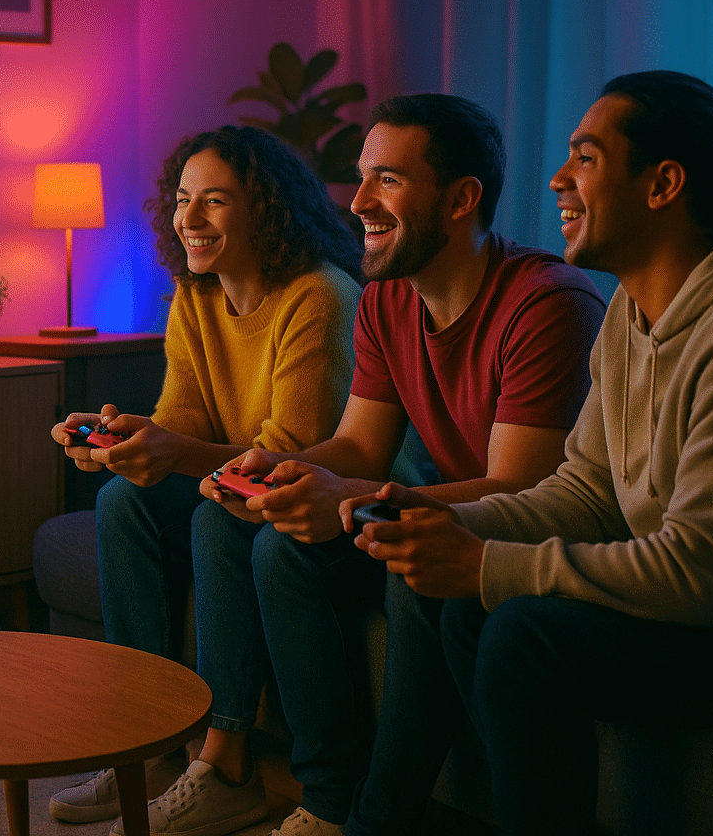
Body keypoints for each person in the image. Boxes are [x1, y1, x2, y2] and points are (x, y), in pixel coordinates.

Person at [355, 70, 713, 836]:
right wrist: (441, 517)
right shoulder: (632, 309)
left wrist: (489, 563)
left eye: (586, 158)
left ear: (663, 183)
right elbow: (588, 493)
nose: (558, 179)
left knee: (526, 635)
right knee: (462, 612)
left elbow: (696, 573)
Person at [208, 93, 607, 836]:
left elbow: (524, 487)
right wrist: (282, 469)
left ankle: (378, 819)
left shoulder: (547, 302)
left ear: (461, 199)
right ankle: (326, 796)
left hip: (521, 536)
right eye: (362, 177)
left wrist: (348, 495)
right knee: (275, 546)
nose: (357, 201)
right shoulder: (386, 300)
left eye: (386, 179)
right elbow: (359, 447)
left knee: (406, 556)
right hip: (457, 511)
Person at [47, 125, 366, 828]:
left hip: (326, 496)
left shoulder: (319, 295)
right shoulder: (195, 298)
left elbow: (287, 458)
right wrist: (125, 444)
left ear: (269, 209)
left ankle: (225, 762)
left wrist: (173, 451)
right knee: (121, 501)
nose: (189, 219)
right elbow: (179, 422)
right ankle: (139, 742)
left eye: (215, 201)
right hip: (242, 478)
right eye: (184, 200)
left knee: (215, 513)